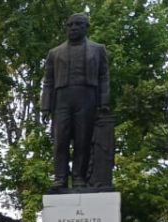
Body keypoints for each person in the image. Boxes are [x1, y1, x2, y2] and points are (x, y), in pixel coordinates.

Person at [41, 13, 110, 190]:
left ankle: (79, 177)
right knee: (60, 141)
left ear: (86, 27)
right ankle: (60, 178)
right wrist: (46, 107)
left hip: (87, 98)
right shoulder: (54, 53)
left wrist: (104, 103)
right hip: (62, 99)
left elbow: (104, 77)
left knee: (83, 141)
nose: (73, 28)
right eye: (70, 25)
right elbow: (48, 81)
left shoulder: (98, 49)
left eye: (77, 24)